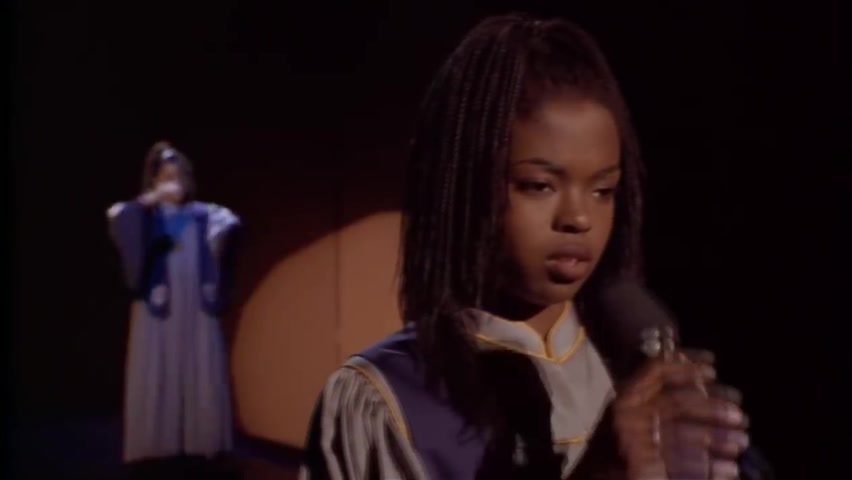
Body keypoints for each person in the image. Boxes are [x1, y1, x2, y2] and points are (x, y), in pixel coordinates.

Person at [300, 15, 751, 480]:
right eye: (539, 186)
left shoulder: (633, 377)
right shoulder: (386, 397)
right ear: (464, 186)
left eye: (603, 190)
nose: (578, 218)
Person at [107, 141, 241, 463]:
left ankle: (202, 440)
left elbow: (231, 222)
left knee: (199, 363)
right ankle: (154, 443)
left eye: (179, 176)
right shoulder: (143, 215)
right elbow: (117, 215)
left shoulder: (202, 215)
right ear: (154, 180)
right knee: (157, 365)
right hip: (159, 302)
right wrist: (151, 199)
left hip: (194, 302)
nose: (174, 183)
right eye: (167, 177)